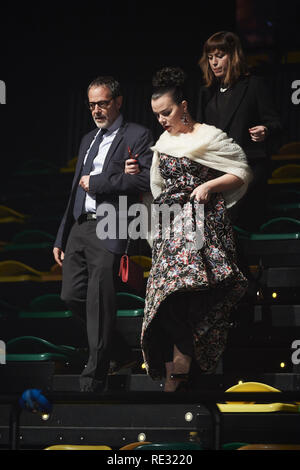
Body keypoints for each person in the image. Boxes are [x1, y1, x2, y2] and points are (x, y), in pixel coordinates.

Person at [140, 66, 253, 392]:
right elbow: (157, 187)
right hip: (169, 222)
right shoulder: (163, 142)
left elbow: (240, 171)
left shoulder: (209, 137)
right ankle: (178, 363)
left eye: (167, 112)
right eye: (157, 114)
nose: (162, 119)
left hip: (202, 218)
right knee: (165, 298)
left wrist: (210, 186)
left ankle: (181, 369)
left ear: (184, 105)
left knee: (186, 292)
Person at [53, 75, 153, 392]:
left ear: (118, 101)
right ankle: (120, 352)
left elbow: (144, 181)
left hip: (111, 222)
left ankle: (93, 378)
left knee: (99, 298)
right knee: (70, 295)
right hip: (80, 226)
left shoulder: (137, 135)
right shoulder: (87, 140)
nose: (97, 110)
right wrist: (61, 235)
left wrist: (99, 182)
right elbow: (73, 191)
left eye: (103, 103)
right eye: (92, 104)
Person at [197, 31, 282, 226]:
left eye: (219, 56)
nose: (214, 63)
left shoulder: (254, 85)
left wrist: (265, 129)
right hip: (217, 171)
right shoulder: (207, 92)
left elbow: (276, 123)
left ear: (233, 55)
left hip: (248, 170)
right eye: (210, 58)